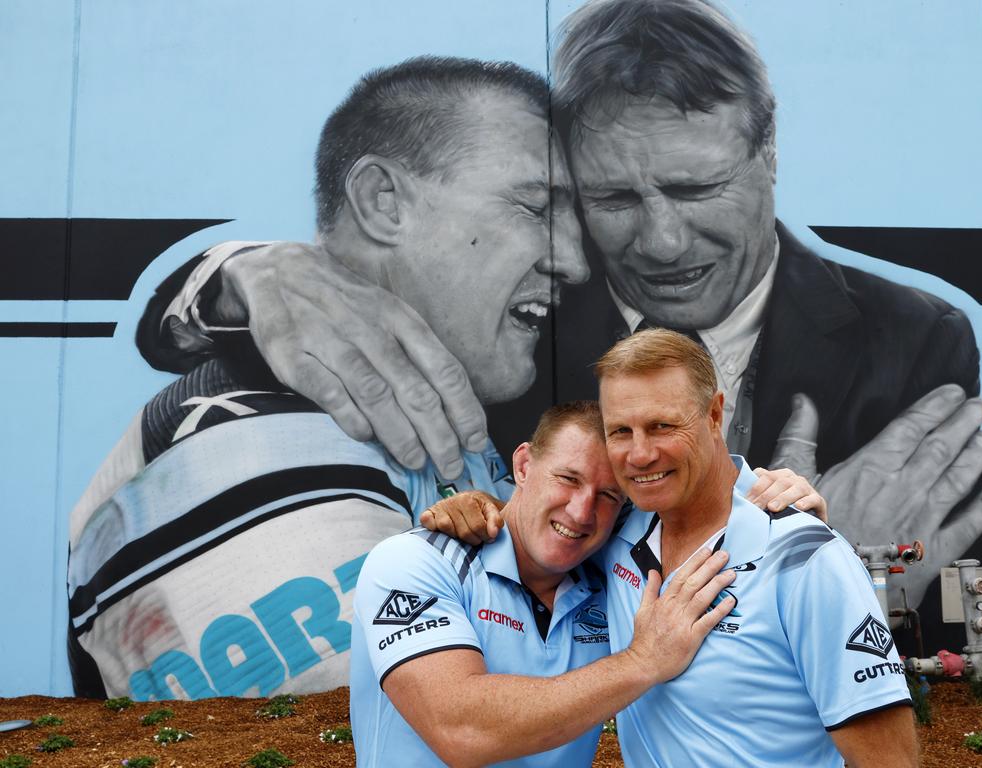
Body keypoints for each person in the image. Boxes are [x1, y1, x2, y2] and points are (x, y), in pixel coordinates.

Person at [131, 0, 982, 661]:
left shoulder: (913, 341)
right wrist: (237, 272)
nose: (660, 242)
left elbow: (969, 629)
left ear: (768, 154)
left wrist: (860, 578)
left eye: (698, 190)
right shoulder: (506, 341)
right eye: (612, 200)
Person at [68, 55, 809, 700]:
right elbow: (421, 719)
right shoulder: (244, 446)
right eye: (534, 205)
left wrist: (752, 513)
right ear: (383, 201)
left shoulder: (439, 421)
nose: (576, 262)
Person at [432, 328, 917, 767]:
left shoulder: (805, 557)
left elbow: (889, 760)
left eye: (662, 426)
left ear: (713, 415)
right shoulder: (622, 528)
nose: (640, 454)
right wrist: (481, 506)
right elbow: (553, 520)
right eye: (620, 431)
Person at [351, 400, 738, 767]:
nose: (582, 512)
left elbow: (709, 505)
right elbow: (460, 730)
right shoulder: (414, 560)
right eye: (568, 479)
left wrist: (767, 490)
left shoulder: (611, 577)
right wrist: (643, 660)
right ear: (522, 466)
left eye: (608, 495)